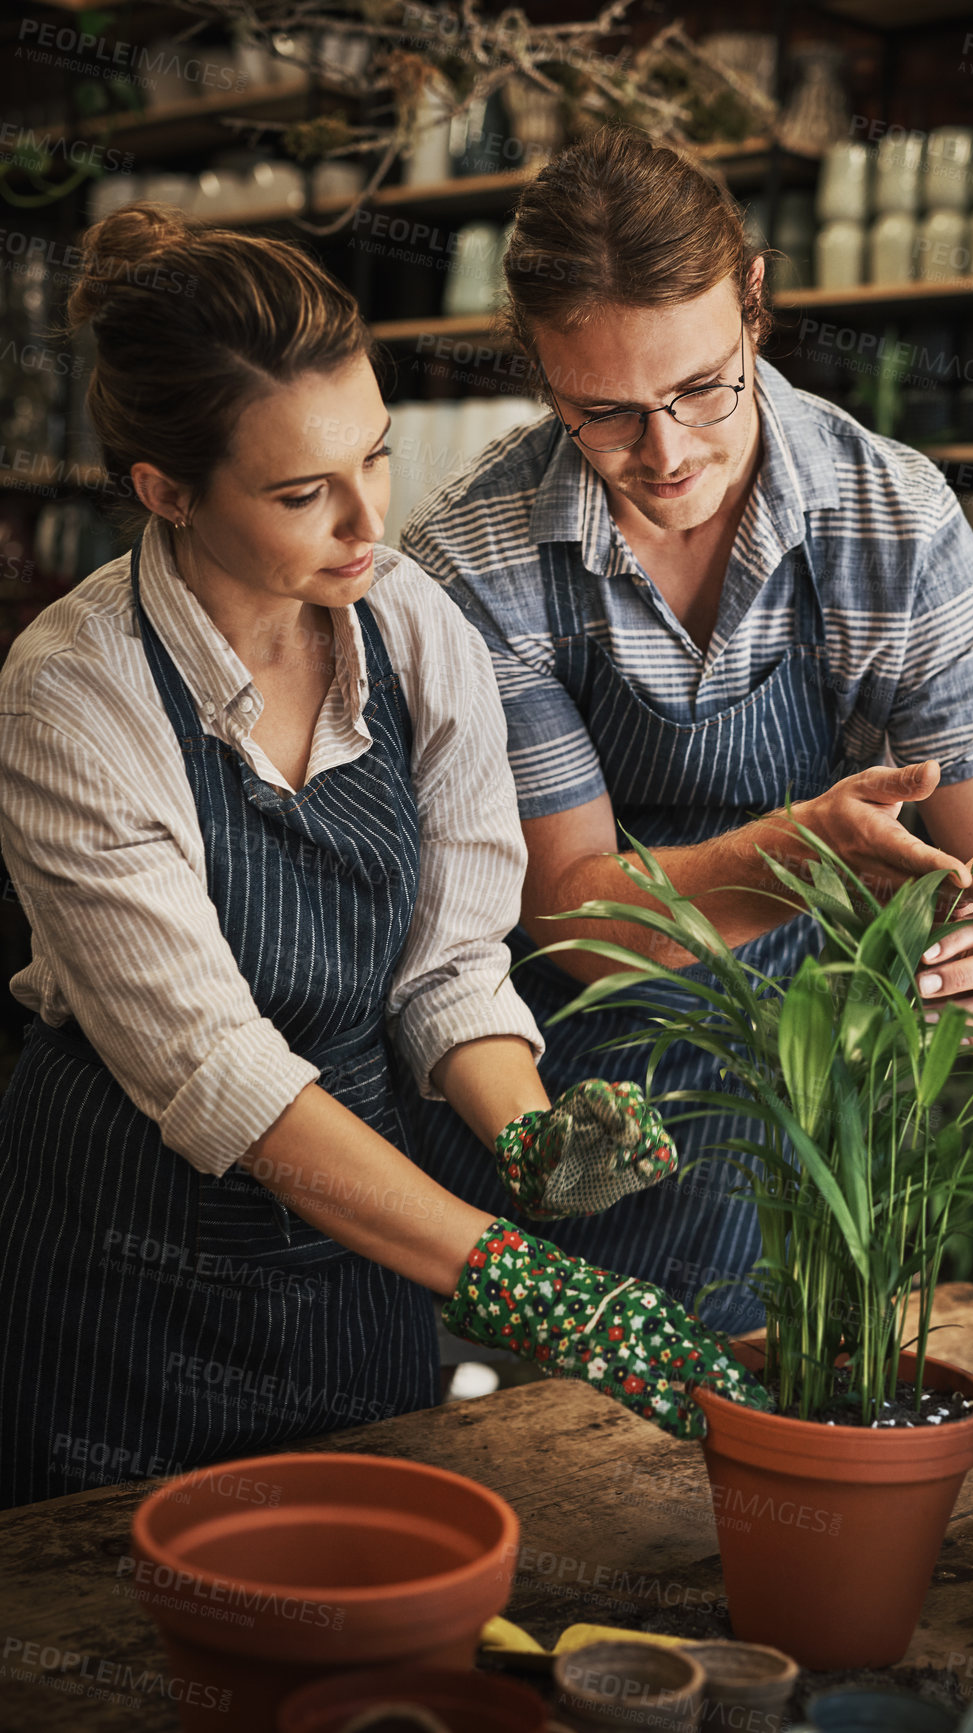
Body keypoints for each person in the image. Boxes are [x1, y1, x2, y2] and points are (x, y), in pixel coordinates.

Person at [0, 205, 766, 1511]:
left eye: (376, 457)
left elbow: (447, 972)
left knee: (363, 1600)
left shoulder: (409, 630)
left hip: (363, 1251)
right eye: (304, 492)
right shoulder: (73, 696)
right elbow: (222, 1074)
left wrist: (534, 1144)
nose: (369, 520)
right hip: (124, 1265)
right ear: (166, 491)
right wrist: (527, 1282)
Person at [400, 128, 973, 1333]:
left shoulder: (894, 522)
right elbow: (568, 909)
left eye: (701, 388)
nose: (664, 454)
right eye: (602, 413)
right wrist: (798, 854)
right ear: (536, 370)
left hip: (805, 1105)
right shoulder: (475, 558)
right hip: (553, 1090)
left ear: (755, 302)